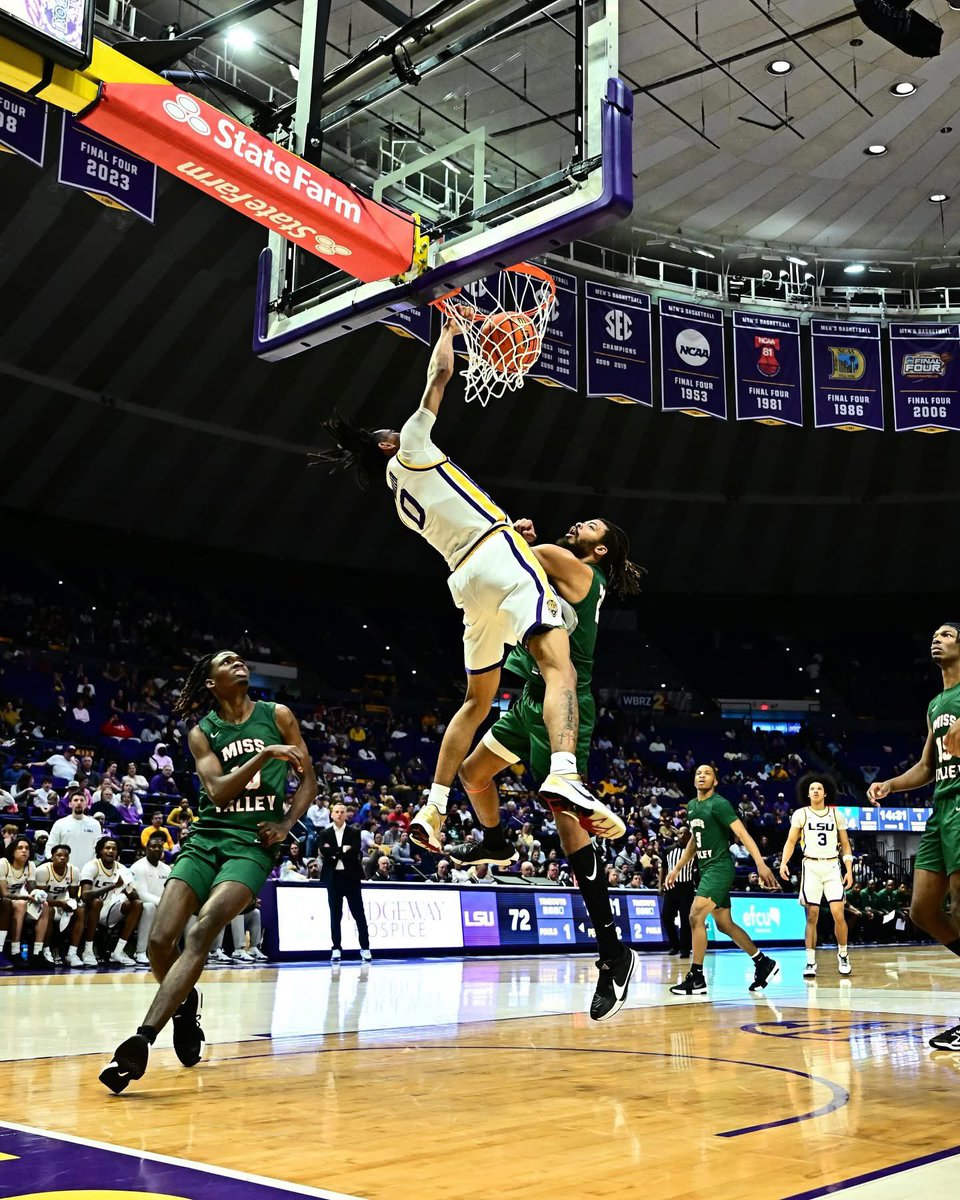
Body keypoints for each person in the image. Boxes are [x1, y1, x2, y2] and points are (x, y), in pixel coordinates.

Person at [313, 320, 623, 856]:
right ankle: (566, 772)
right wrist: (450, 328)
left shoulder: (398, 497)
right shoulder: (409, 445)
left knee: (476, 701)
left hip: (463, 582)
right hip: (497, 554)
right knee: (560, 666)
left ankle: (433, 806)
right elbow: (440, 374)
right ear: (390, 443)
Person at [449, 515, 644, 1020]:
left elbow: (506, 561)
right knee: (473, 774)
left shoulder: (578, 571)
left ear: (599, 551)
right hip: (530, 701)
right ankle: (495, 840)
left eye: (593, 527)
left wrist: (513, 534)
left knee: (569, 831)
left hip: (565, 704)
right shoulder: (561, 571)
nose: (580, 524)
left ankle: (614, 954)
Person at [99, 649, 317, 1093]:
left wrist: (286, 824)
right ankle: (184, 1004)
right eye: (226, 660)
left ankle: (142, 1038)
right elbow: (216, 792)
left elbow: (308, 779)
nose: (237, 661)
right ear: (212, 684)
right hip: (205, 840)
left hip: (251, 845)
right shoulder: (203, 732)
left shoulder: (278, 715)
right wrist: (264, 756)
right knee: (160, 941)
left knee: (201, 933)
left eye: (239, 658)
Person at [868, 622, 960, 1051]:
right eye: (935, 634)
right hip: (940, 807)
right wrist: (891, 784)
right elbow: (927, 766)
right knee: (922, 909)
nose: (936, 638)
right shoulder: (936, 703)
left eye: (947, 634)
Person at [665, 764, 780, 996]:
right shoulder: (692, 807)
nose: (702, 776)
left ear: (715, 781)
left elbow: (742, 834)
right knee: (724, 924)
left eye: (707, 773)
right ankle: (762, 962)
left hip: (720, 868)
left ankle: (696, 977)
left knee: (695, 914)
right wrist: (676, 868)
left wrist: (759, 863)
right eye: (698, 773)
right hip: (706, 869)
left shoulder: (719, 804)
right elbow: (693, 843)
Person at [779, 772, 854, 978]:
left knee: (839, 913)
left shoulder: (836, 814)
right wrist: (784, 862)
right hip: (810, 866)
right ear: (807, 793)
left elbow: (846, 845)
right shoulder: (801, 814)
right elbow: (791, 841)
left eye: (819, 788)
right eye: (812, 788)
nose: (815, 791)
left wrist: (849, 869)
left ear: (825, 793)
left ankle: (843, 954)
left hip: (831, 866)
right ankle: (811, 961)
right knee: (812, 915)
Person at [78, 836, 143, 968]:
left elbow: (136, 897)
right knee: (97, 902)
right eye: (107, 848)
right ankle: (88, 950)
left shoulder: (122, 869)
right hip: (90, 909)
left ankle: (118, 952)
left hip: (110, 909)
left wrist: (125, 887)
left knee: (137, 904)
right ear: (100, 851)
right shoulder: (91, 866)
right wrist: (113, 885)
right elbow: (85, 896)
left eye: (114, 848)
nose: (111, 851)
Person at [319, 801, 371, 962]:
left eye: (342, 811)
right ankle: (336, 948)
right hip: (333, 879)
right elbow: (324, 852)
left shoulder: (354, 832)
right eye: (337, 811)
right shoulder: (324, 833)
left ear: (346, 814)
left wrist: (334, 851)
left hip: (351, 878)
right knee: (335, 915)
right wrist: (342, 850)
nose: (340, 814)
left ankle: (365, 947)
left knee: (359, 914)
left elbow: (354, 851)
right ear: (332, 814)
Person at [0, 836, 49, 966]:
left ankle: (37, 954)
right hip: (3, 900)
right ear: (12, 851)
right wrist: (26, 897)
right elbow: (4, 893)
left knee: (44, 905)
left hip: (15, 901)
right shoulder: (3, 863)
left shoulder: (30, 865)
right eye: (20, 848)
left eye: (27, 848)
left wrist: (37, 893)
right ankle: (11, 951)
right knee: (17, 903)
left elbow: (31, 887)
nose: (24, 851)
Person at [36, 844, 84, 966]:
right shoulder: (42, 870)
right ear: (52, 857)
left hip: (62, 904)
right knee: (49, 910)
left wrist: (71, 904)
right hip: (42, 905)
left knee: (80, 911)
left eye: (65, 856)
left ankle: (72, 953)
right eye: (59, 855)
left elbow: (73, 895)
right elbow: (40, 899)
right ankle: (46, 950)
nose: (62, 858)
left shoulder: (74, 871)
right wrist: (59, 903)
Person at [129, 833, 172, 967]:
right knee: (149, 907)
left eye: (160, 847)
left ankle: (184, 951)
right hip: (142, 907)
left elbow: (170, 891)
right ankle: (140, 951)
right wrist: (163, 903)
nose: (157, 849)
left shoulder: (166, 868)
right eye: (153, 846)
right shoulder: (138, 867)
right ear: (147, 848)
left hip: (163, 905)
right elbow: (142, 894)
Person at [47, 793, 102, 876]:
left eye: (82, 800)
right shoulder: (60, 823)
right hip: (65, 870)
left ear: (86, 804)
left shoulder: (95, 824)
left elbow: (98, 848)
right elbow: (50, 846)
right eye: (75, 800)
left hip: (88, 872)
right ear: (70, 804)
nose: (79, 802)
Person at [660, 828, 695, 957]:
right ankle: (675, 945)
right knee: (666, 917)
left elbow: (698, 869)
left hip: (687, 887)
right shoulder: (669, 849)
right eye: (679, 833)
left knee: (686, 920)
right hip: (671, 886)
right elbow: (663, 868)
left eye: (684, 834)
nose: (681, 836)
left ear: (689, 837)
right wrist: (660, 885)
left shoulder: (693, 851)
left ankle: (685, 949)